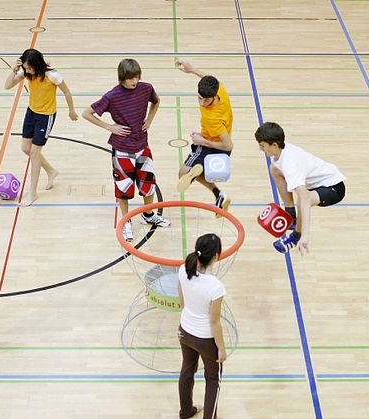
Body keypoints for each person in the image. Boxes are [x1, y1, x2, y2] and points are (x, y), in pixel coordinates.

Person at [82, 58, 170, 241]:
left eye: (137, 77)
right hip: (122, 150)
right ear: (122, 78)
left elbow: (156, 102)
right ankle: (126, 222)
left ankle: (148, 216)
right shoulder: (112, 96)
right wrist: (109, 127)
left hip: (142, 146)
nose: (134, 81)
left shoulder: (146, 88)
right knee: (123, 189)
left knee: (148, 184)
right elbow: (86, 113)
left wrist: (150, 120)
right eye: (130, 78)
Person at [254, 122, 346, 254]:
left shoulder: (290, 164)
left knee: (303, 199)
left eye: (262, 146)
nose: (260, 149)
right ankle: (291, 216)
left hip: (333, 188)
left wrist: (305, 236)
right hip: (319, 184)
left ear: (274, 145)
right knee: (274, 169)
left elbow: (305, 200)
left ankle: (295, 237)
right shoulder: (281, 152)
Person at [4, 48, 78, 206]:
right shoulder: (26, 73)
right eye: (26, 67)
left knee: (34, 152)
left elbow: (67, 92)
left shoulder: (52, 75)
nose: (28, 70)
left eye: (30, 67)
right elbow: (7, 86)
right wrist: (14, 70)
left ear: (38, 65)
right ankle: (51, 171)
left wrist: (71, 110)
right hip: (31, 113)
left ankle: (32, 192)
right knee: (26, 149)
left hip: (46, 116)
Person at [177, 233, 227, 419]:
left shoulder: (183, 269)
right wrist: (221, 349)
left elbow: (182, 302)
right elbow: (214, 322)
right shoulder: (215, 287)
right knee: (213, 380)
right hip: (206, 340)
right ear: (216, 256)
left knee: (187, 369)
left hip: (184, 331)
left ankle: (186, 411)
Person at [175, 59, 233, 213]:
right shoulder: (219, 89)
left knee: (183, 174)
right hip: (214, 141)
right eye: (199, 98)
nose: (201, 103)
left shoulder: (213, 117)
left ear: (213, 97)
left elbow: (228, 146)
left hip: (213, 145)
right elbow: (209, 79)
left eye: (205, 100)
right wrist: (192, 69)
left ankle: (199, 172)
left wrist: (202, 140)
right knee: (191, 173)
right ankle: (218, 195)